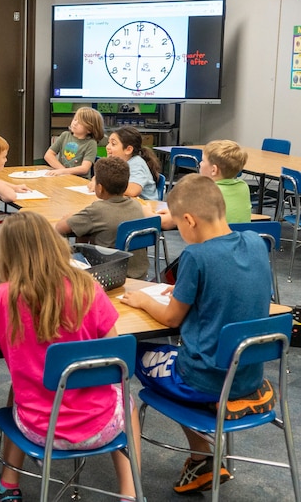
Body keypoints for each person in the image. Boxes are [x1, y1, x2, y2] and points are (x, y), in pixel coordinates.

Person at [0, 210, 141, 502]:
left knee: (18, 389)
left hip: (39, 430)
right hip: (101, 426)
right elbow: (113, 350)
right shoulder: (86, 287)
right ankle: (130, 494)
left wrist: (5, 342)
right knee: (128, 401)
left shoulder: (3, 296)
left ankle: (8, 484)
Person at [121, 174, 274, 494]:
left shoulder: (196, 256)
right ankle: (203, 450)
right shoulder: (256, 243)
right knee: (172, 357)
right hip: (248, 373)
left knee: (132, 356)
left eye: (178, 225)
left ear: (188, 220)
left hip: (204, 377)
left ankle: (202, 452)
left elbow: (172, 317)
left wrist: (143, 298)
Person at [55, 156, 150, 278]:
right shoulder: (136, 205)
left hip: (109, 274)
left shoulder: (97, 210)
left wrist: (69, 217)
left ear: (99, 188)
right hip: (140, 274)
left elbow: (60, 228)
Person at [156, 139, 251, 230]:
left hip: (214, 244)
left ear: (214, 170)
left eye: (203, 161)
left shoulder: (205, 192)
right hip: (242, 243)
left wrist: (145, 211)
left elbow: (166, 223)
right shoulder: (243, 187)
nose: (200, 164)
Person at [89, 126, 160, 200]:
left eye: (113, 144)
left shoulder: (137, 164)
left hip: (145, 207)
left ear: (128, 150)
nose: (107, 147)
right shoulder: (116, 163)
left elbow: (133, 191)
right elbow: (99, 178)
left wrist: (104, 186)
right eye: (108, 143)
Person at [43, 106, 104, 177]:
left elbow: (84, 168)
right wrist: (62, 170)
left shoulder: (91, 143)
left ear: (89, 129)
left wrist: (63, 171)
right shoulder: (65, 135)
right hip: (62, 176)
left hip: (79, 180)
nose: (75, 123)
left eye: (80, 122)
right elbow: (48, 155)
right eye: (75, 119)